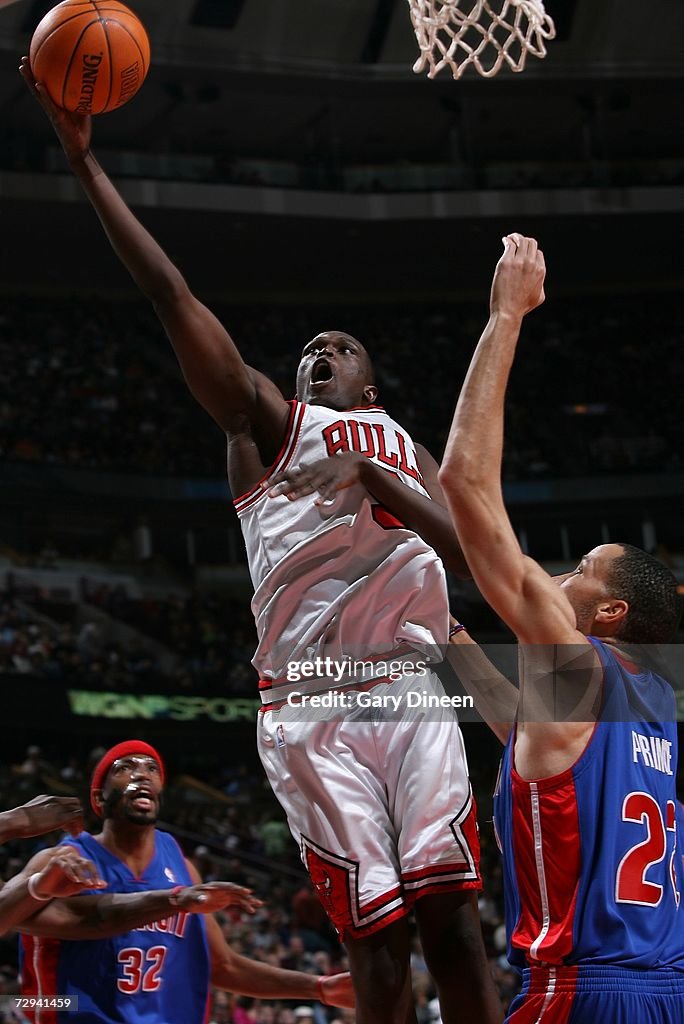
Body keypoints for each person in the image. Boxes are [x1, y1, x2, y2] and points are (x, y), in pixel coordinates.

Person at [20, 60, 502, 1024]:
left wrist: (379, 483)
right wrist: (86, 167)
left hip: (415, 681)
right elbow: (172, 294)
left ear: (370, 383)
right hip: (310, 700)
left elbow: (476, 559)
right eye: (305, 352)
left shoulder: (402, 445)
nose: (316, 355)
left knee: (451, 914)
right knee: (377, 934)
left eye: (337, 348)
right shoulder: (265, 429)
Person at [438, 233, 684, 1022]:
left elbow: (464, 484)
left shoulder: (582, 670)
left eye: (579, 569)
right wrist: (447, 640)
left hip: (580, 993)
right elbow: (534, 738)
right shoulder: (655, 708)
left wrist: (506, 314)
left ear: (609, 614)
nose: (558, 575)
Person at [17, 741, 353, 1022]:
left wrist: (318, 987)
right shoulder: (60, 863)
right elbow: (69, 918)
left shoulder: (181, 868)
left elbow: (222, 965)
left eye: (152, 769)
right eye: (124, 768)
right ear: (99, 798)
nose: (141, 775)